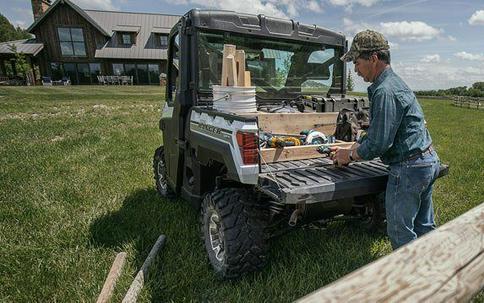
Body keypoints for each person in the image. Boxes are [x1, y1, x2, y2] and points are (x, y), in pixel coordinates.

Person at [331, 30, 441, 250]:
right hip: (426, 161)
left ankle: (408, 280)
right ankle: (432, 270)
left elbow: (380, 143)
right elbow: (383, 130)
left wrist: (349, 155)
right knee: (424, 226)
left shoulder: (384, 91)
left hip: (409, 168)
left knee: (401, 233)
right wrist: (358, 142)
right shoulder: (394, 83)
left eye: (357, 62)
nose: (355, 69)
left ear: (373, 59)